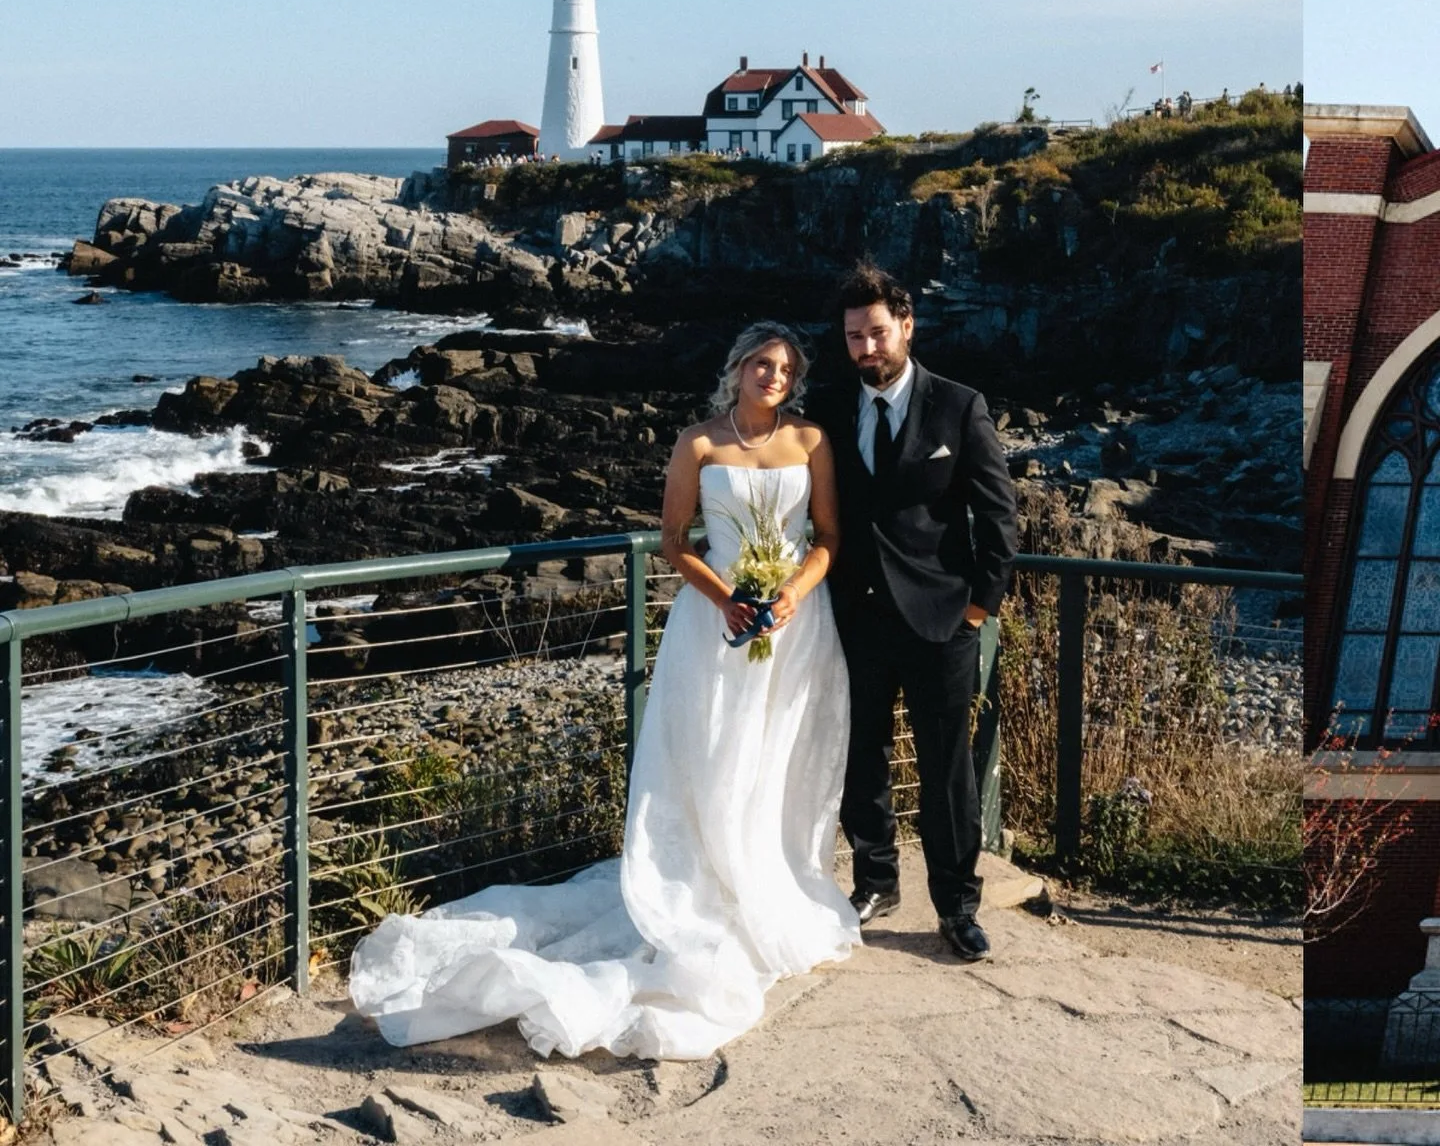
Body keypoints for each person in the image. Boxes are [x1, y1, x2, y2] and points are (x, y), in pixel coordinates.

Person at [349, 321, 858, 1060]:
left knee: (776, 757)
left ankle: (768, 884)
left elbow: (827, 539)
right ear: (738, 368)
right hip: (714, 623)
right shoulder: (699, 442)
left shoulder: (811, 442)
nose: (772, 376)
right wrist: (728, 599)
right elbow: (675, 541)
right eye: (760, 364)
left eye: (784, 368)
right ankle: (711, 887)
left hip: (795, 626)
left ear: (795, 377)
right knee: (712, 755)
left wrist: (786, 597)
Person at [809, 263, 1017, 963]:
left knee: (947, 769)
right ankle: (875, 881)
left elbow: (999, 520)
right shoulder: (830, 411)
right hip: (857, 620)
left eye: (875, 333)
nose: (866, 348)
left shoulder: (959, 406)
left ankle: (957, 905)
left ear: (906, 326)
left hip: (941, 624)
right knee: (859, 756)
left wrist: (979, 610)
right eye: (852, 337)